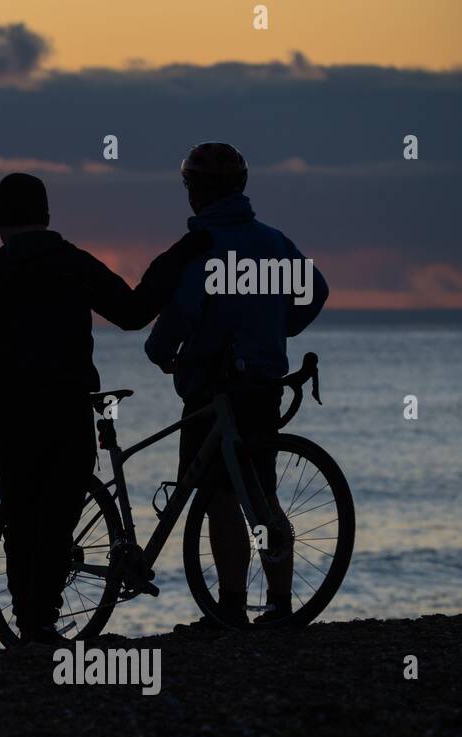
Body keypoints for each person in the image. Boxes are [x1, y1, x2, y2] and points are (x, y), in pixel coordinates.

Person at [0, 173, 209, 643]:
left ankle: (29, 625)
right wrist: (180, 253)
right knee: (56, 518)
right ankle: (41, 623)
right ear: (47, 217)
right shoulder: (72, 264)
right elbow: (134, 312)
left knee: (21, 518)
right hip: (66, 410)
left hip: (11, 415)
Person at [144, 142, 328, 626]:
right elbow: (318, 290)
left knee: (221, 498)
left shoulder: (204, 247)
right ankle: (279, 605)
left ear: (196, 192)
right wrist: (279, 326)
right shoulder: (272, 242)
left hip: (213, 386)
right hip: (263, 385)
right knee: (262, 494)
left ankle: (229, 608)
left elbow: (178, 316)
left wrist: (159, 354)